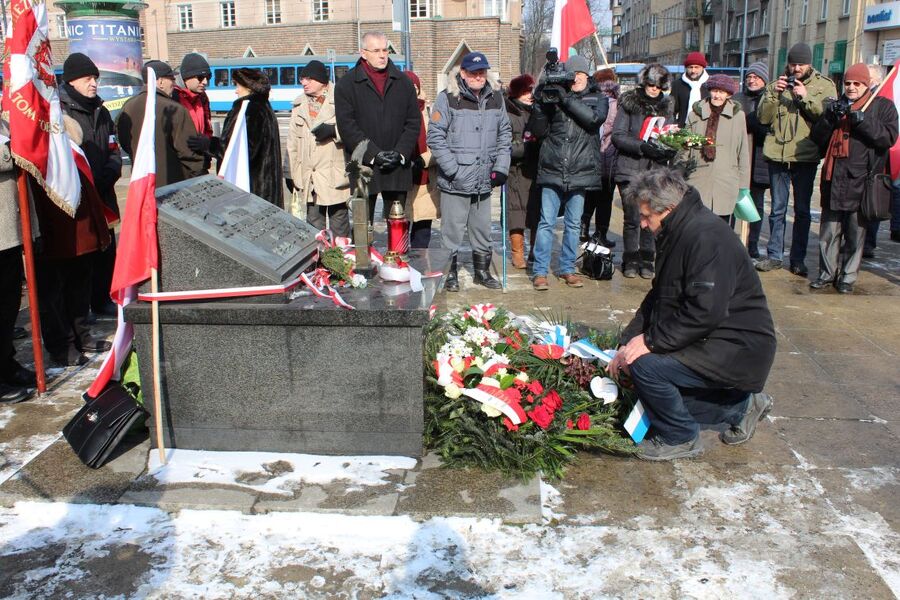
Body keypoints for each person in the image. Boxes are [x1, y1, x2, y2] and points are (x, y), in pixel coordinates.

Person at [608, 168, 777, 461]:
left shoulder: (705, 237)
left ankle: (680, 437)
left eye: (648, 217)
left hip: (737, 346)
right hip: (711, 336)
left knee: (647, 368)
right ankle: (742, 408)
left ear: (669, 209)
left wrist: (649, 343)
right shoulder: (679, 230)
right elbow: (659, 296)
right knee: (654, 394)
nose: (645, 226)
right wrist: (627, 341)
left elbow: (705, 311)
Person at [808, 63, 899, 294]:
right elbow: (816, 139)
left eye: (856, 84)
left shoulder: (882, 106)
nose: (851, 87)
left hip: (861, 180)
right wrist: (829, 119)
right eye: (847, 83)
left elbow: (887, 137)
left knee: (855, 233)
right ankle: (826, 274)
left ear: (866, 85)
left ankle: (847, 277)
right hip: (834, 177)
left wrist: (862, 121)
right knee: (829, 232)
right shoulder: (835, 104)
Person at [427, 51, 511, 291]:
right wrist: (452, 169)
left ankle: (482, 272)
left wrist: (501, 166)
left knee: (482, 230)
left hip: (484, 178)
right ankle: (449, 273)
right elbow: (435, 136)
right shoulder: (447, 98)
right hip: (456, 180)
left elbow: (505, 134)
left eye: (482, 72)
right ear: (462, 73)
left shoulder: (496, 97)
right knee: (451, 231)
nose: (478, 76)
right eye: (473, 72)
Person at [32, 116, 112, 367]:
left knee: (79, 285)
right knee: (53, 292)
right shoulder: (34, 139)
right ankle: (60, 344)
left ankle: (81, 335)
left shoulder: (69, 138)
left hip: (79, 227)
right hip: (52, 230)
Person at [755, 43, 836, 276]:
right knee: (777, 210)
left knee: (801, 211)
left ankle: (798, 259)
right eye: (793, 63)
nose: (796, 68)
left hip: (805, 156)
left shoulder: (824, 86)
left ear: (810, 64)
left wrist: (806, 97)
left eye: (801, 64)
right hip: (777, 155)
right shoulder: (775, 85)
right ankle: (774, 256)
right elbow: (763, 117)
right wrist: (774, 95)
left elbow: (829, 118)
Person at [528, 54, 608, 291]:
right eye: (572, 76)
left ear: (587, 76)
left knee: (574, 224)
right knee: (546, 223)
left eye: (580, 75)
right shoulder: (554, 97)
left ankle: (567, 269)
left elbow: (593, 120)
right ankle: (540, 271)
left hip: (581, 169)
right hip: (553, 166)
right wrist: (542, 105)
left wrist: (565, 100)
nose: (576, 80)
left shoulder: (598, 98)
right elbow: (538, 131)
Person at [58, 53, 122, 319]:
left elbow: (113, 148)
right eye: (88, 78)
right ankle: (80, 308)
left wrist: (110, 172)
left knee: (106, 249)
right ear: (73, 81)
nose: (94, 83)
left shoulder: (102, 111)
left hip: (103, 192)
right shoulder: (60, 111)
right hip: (80, 195)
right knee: (83, 256)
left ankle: (103, 298)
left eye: (95, 78)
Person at [334, 31, 420, 224]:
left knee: (397, 227)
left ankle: (397, 256)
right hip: (363, 165)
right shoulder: (347, 84)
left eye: (385, 50)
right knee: (362, 228)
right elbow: (347, 127)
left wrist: (400, 153)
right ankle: (364, 255)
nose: (382, 55)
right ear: (363, 53)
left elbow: (413, 122)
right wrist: (373, 154)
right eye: (376, 50)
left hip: (396, 164)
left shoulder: (403, 82)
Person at [612, 63, 676, 279]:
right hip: (630, 168)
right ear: (643, 84)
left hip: (655, 170)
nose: (653, 90)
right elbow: (618, 135)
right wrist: (642, 146)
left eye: (657, 87)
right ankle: (630, 258)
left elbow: (670, 133)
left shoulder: (666, 106)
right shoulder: (630, 103)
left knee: (652, 215)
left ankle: (647, 258)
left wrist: (668, 150)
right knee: (632, 217)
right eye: (649, 85)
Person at [197, 68, 284, 208]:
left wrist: (208, 144)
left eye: (238, 86)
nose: (236, 91)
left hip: (252, 187)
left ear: (249, 88)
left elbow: (236, 150)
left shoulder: (246, 109)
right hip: (267, 186)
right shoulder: (264, 106)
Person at [117, 60, 206, 187]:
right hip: (174, 185)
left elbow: (125, 142)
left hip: (141, 183)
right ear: (160, 81)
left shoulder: (128, 107)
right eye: (172, 79)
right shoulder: (176, 109)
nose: (174, 84)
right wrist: (196, 179)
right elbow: (189, 152)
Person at [285, 60, 348, 235]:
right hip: (308, 177)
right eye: (302, 79)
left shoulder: (342, 99)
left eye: (308, 79)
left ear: (322, 81)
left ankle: (342, 259)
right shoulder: (298, 106)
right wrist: (294, 174)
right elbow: (292, 144)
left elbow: (355, 131)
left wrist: (335, 131)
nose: (303, 83)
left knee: (339, 225)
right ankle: (318, 261)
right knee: (313, 228)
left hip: (335, 176)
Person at [0, 119, 38, 402]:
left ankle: (6, 362)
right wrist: (17, 150)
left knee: (8, 303)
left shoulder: (3, 121)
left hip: (7, 232)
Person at [682, 73, 749, 219]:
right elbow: (685, 148)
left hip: (726, 183)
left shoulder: (738, 117)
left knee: (722, 231)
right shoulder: (695, 115)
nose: (717, 96)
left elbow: (743, 151)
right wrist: (680, 174)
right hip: (698, 180)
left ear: (729, 94)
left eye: (722, 92)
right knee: (698, 229)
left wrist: (744, 186)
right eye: (714, 91)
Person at [734, 61, 772, 259]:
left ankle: (753, 243)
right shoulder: (737, 99)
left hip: (760, 160)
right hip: (738, 159)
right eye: (749, 76)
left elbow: (771, 128)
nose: (752, 80)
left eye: (756, 77)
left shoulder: (770, 99)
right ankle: (733, 241)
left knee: (755, 205)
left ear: (764, 80)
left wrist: (755, 124)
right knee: (735, 202)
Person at [504, 73, 539, 268]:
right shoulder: (508, 114)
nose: (529, 95)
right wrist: (526, 146)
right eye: (525, 91)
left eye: (530, 91)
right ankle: (518, 253)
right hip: (516, 171)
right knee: (516, 213)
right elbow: (505, 145)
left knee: (535, 212)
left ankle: (535, 250)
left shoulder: (537, 112)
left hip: (535, 170)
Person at [581, 68, 619, 248]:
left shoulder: (589, 100)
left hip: (589, 156)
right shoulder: (617, 104)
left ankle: (583, 228)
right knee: (605, 198)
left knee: (589, 195)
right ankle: (601, 233)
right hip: (609, 157)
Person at [404, 70, 440, 248]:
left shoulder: (430, 111)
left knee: (423, 228)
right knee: (400, 226)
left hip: (425, 176)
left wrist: (423, 159)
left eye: (414, 87)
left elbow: (439, 142)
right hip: (402, 176)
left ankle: (420, 265)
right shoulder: (393, 110)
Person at [175, 52, 214, 171]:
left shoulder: (202, 97)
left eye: (208, 77)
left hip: (200, 163)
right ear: (186, 77)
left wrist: (206, 146)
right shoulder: (173, 97)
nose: (205, 82)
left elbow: (207, 128)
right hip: (181, 167)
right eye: (200, 77)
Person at [672, 52, 710, 127]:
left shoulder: (710, 84)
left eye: (696, 67)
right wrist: (674, 124)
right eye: (690, 67)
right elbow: (671, 109)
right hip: (683, 128)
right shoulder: (678, 84)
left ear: (703, 67)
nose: (693, 71)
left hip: (705, 128)